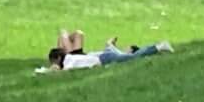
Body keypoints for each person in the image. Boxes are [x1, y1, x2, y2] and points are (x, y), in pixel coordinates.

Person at [43, 34, 173, 72]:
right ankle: (109, 44)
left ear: (58, 58)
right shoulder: (70, 58)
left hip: (105, 58)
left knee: (132, 58)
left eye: (53, 62)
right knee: (125, 55)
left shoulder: (68, 62)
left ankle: (159, 47)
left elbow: (61, 72)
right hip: (103, 56)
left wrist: (48, 71)